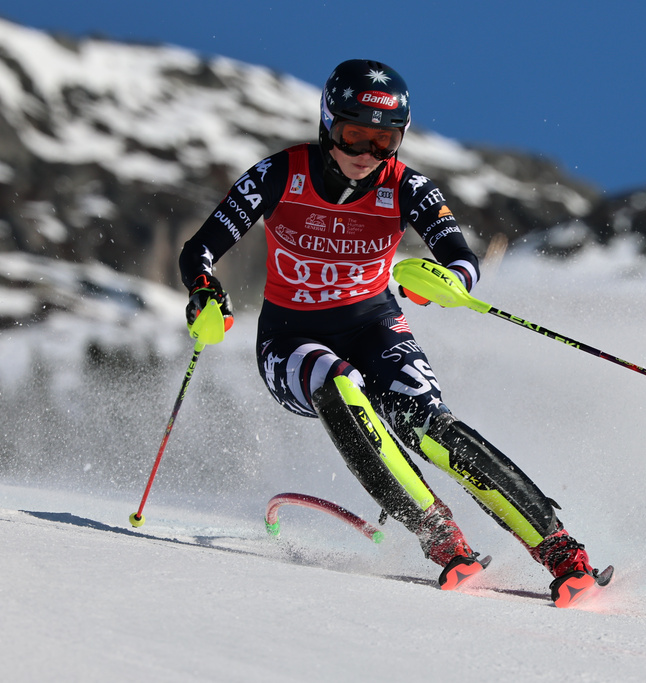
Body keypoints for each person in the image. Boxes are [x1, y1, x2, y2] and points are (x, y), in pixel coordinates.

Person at [178, 59, 605, 606]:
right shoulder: (281, 174)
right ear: (327, 124)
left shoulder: (407, 186)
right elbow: (201, 248)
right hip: (289, 337)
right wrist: (204, 290)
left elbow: (462, 259)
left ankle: (562, 552)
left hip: (375, 326)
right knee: (336, 383)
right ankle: (441, 539)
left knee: (430, 425)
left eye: (384, 140)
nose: (366, 154)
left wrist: (446, 280)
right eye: (354, 134)